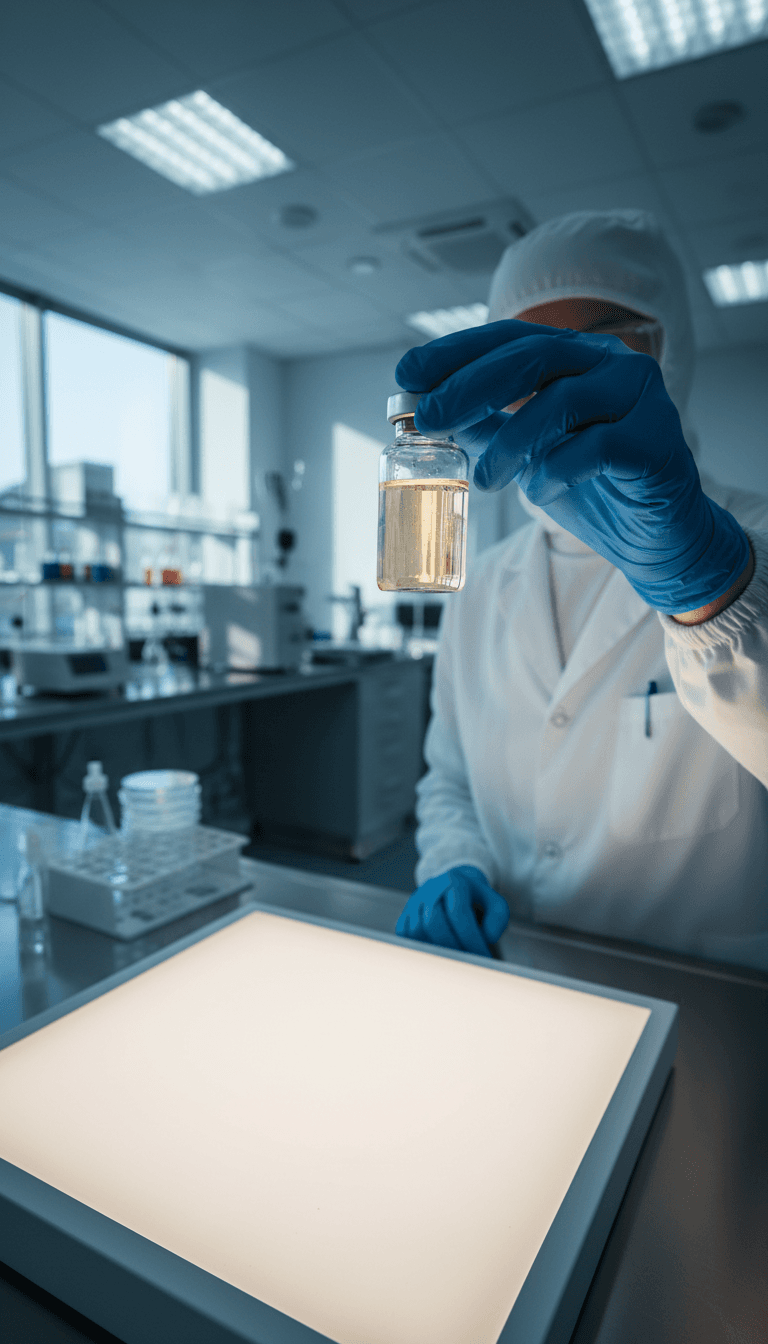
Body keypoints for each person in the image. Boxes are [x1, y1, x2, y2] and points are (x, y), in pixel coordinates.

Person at [394, 209, 768, 972]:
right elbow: (451, 778)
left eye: (601, 348)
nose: (561, 382)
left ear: (670, 355)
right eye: (531, 358)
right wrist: (453, 862)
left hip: (704, 997)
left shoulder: (751, 540)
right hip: (514, 968)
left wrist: (714, 590)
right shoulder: (482, 578)